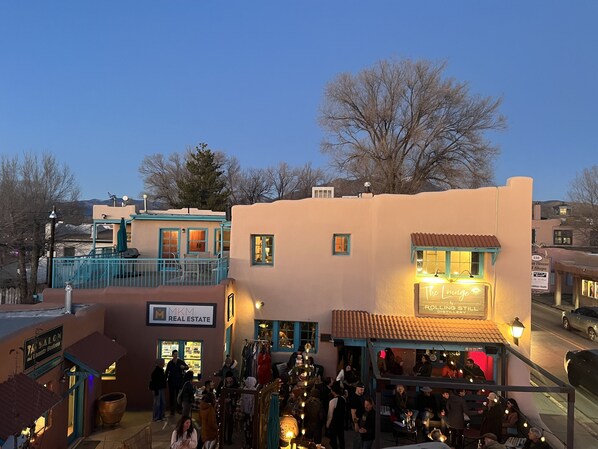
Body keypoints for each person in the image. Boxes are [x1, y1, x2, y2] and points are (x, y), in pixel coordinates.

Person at [166, 350, 189, 415]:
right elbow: (167, 372)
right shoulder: (170, 363)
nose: (176, 355)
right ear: (172, 355)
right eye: (174, 354)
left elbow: (187, 367)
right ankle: (172, 410)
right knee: (171, 396)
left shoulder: (180, 362)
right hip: (171, 382)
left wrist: (184, 367)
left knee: (178, 396)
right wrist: (165, 380)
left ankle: (179, 409)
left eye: (177, 354)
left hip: (179, 382)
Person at [326, 383, 346, 449]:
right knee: (341, 439)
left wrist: (327, 425)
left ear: (333, 391)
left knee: (333, 440)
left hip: (334, 424)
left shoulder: (332, 401)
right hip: (341, 422)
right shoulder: (343, 399)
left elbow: (330, 415)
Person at [241, 377, 257, 448]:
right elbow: (242, 401)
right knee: (245, 427)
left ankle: (250, 442)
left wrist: (252, 413)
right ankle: (246, 441)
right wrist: (242, 410)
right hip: (245, 412)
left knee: (250, 428)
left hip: (251, 413)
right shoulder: (244, 389)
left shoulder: (254, 390)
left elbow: (254, 403)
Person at [349, 382, 366, 449]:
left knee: (360, 439)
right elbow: (353, 412)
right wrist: (356, 424)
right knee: (357, 439)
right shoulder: (354, 398)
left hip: (361, 421)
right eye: (361, 389)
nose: (362, 391)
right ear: (357, 388)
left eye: (363, 389)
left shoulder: (362, 396)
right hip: (357, 421)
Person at [150, 357, 167, 422]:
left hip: (161, 388)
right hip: (157, 389)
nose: (164, 364)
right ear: (160, 364)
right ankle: (156, 417)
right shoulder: (155, 372)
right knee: (157, 403)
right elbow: (155, 382)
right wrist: (156, 390)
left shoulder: (161, 371)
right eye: (163, 363)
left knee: (162, 403)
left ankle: (161, 416)